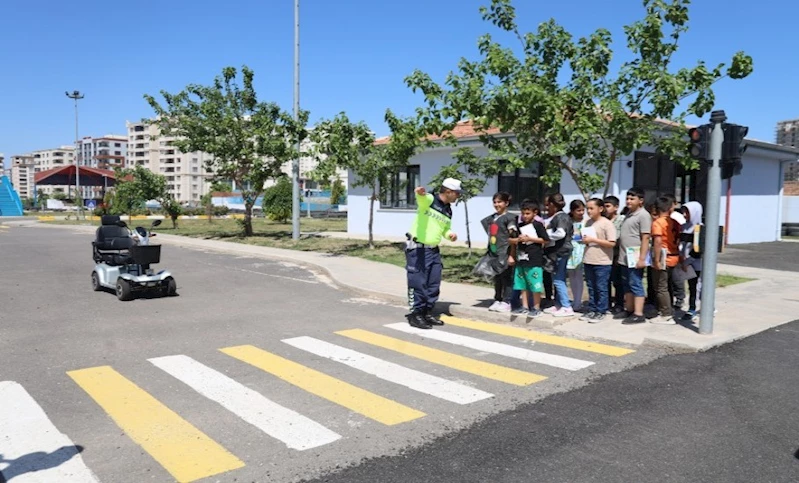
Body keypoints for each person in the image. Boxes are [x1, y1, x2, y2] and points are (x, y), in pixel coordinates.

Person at [405, 178, 461, 329]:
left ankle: (427, 312)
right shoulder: (430, 199)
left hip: (433, 249)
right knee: (418, 282)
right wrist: (419, 193)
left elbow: (445, 229)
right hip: (418, 248)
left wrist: (450, 235)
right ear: (448, 191)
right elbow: (421, 198)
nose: (458, 196)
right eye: (457, 193)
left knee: (433, 282)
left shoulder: (448, 209)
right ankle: (415, 314)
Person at [615, 187, 652, 325]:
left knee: (636, 283)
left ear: (640, 201)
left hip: (635, 257)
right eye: (627, 198)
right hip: (625, 257)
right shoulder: (629, 214)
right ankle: (629, 309)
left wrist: (642, 258)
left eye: (632, 199)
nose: (628, 201)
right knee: (627, 284)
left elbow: (646, 237)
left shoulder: (643, 215)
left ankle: (638, 313)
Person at [510, 199, 550, 317]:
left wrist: (530, 239)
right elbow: (511, 239)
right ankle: (525, 306)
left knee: (535, 284)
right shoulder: (520, 226)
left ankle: (536, 307)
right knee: (522, 284)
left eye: (528, 213)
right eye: (523, 213)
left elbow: (546, 240)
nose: (525, 216)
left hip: (534, 260)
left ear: (535, 213)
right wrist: (518, 239)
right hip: (522, 259)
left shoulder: (538, 226)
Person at [580, 198, 617, 323]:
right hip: (589, 258)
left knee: (601, 287)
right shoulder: (587, 222)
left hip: (602, 261)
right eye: (587, 208)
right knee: (591, 286)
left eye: (591, 208)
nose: (588, 211)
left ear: (600, 209)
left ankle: (601, 310)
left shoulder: (607, 224)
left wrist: (594, 240)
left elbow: (612, 243)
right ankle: (592, 309)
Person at [481, 192, 518, 313]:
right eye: (495, 202)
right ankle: (498, 298)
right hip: (494, 253)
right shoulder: (492, 218)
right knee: (497, 277)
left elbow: (513, 238)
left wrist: (512, 255)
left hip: (505, 252)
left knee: (507, 277)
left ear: (506, 203)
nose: (497, 204)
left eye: (499, 202)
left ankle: (507, 301)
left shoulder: (510, 218)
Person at [543, 193, 575, 317]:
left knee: (558, 280)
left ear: (552, 204)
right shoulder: (560, 216)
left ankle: (566, 307)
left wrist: (545, 236)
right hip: (559, 251)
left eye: (548, 204)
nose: (547, 207)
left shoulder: (560, 217)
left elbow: (560, 233)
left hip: (561, 251)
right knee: (557, 279)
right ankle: (559, 304)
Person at [650, 196, 681, 324]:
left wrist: (656, 260)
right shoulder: (674, 222)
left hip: (664, 256)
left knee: (660, 287)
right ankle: (669, 309)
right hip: (674, 254)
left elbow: (657, 242)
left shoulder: (658, 223)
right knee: (668, 286)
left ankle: (666, 314)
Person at [680, 201, 704, 321]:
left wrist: (688, 261)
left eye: (687, 212)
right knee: (691, 286)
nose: (684, 214)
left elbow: (699, 250)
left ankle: (696, 308)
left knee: (698, 286)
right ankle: (692, 307)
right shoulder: (684, 226)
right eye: (683, 211)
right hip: (686, 263)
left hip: (696, 263)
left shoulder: (700, 228)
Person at [603, 195, 626, 313]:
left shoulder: (622, 220)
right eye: (604, 206)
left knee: (618, 281)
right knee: (605, 280)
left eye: (608, 206)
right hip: (604, 254)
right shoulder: (602, 220)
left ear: (616, 207)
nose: (605, 209)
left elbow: (619, 237)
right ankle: (606, 303)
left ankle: (619, 303)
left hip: (617, 254)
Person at [567, 199, 587, 312]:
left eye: (582, 210)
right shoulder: (568, 221)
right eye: (578, 210)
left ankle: (578, 301)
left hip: (581, 250)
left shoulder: (586, 221)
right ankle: (575, 300)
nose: (581, 213)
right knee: (571, 276)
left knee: (579, 276)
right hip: (571, 250)